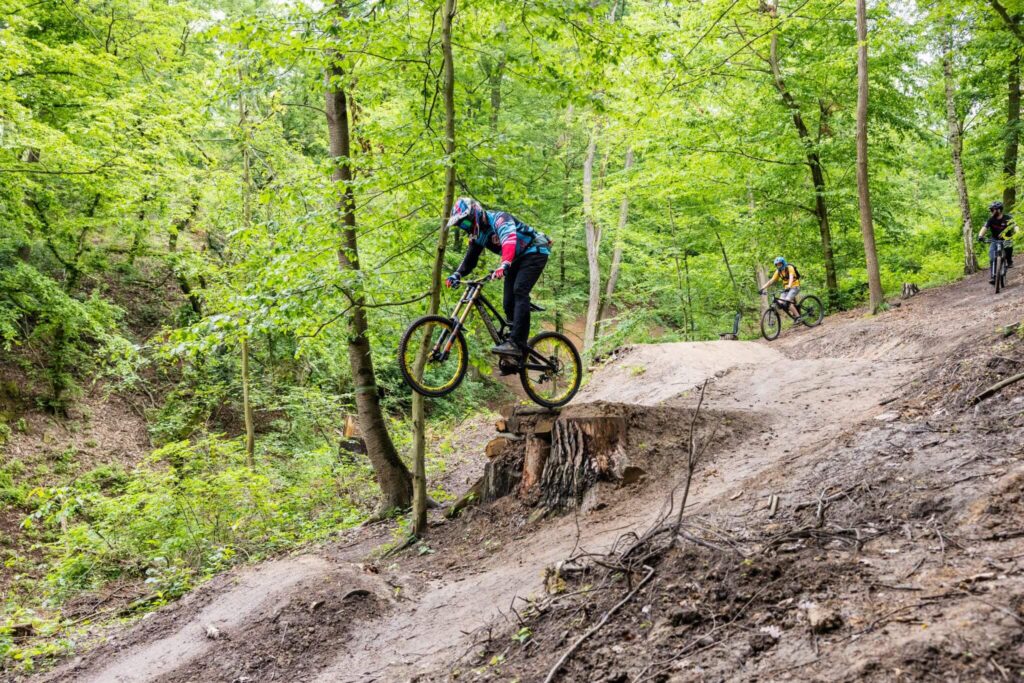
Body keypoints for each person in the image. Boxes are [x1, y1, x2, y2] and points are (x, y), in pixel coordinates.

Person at [445, 197, 552, 359]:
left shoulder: (499, 219)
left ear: (475, 213)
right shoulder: (478, 235)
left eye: (465, 222)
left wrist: (504, 264)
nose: (465, 227)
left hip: (535, 250)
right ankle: (514, 354)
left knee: (519, 291)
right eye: (461, 225)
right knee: (508, 302)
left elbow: (509, 239)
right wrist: (457, 274)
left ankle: (517, 343)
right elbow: (470, 260)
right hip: (517, 258)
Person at [979, 201, 1016, 284]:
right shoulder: (991, 219)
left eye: (993, 210)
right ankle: (993, 277)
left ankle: (1009, 261)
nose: (991, 211)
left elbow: (1015, 226)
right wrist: (980, 236)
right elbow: (984, 227)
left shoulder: (1008, 218)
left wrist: (1018, 232)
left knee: (1009, 247)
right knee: (992, 258)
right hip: (995, 240)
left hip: (1007, 239)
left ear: (999, 210)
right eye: (991, 210)